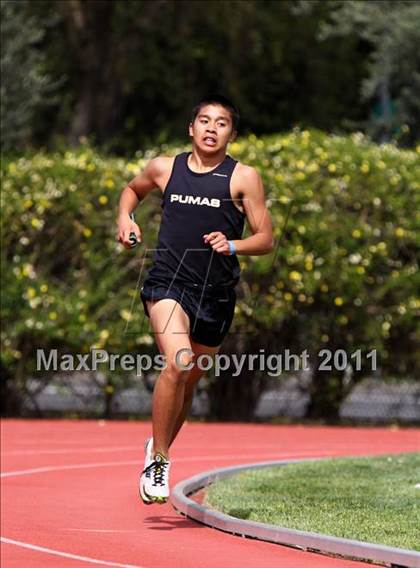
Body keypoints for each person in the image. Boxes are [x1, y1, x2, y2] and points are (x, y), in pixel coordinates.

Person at [117, 94, 273, 505]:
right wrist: (125, 217)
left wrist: (234, 244)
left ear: (231, 134)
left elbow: (265, 238)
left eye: (220, 123)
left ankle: (157, 445)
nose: (210, 128)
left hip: (216, 295)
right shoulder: (165, 168)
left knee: (187, 383)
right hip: (168, 283)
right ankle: (161, 461)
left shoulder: (243, 177)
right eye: (203, 121)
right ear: (191, 128)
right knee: (179, 362)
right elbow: (132, 191)